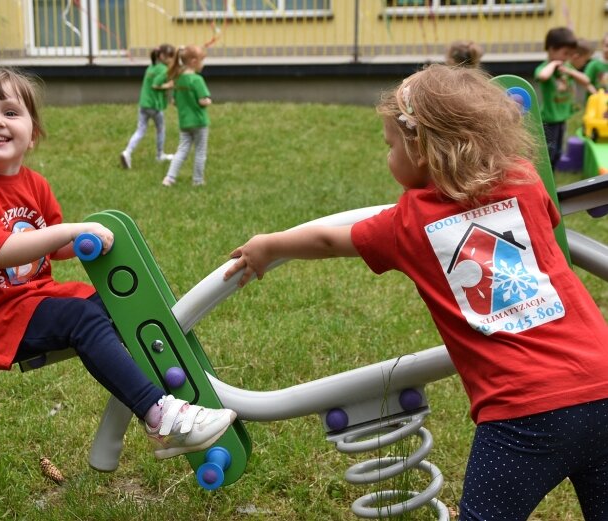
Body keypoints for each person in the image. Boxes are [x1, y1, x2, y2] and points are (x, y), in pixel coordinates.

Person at [224, 65, 608, 519]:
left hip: (521, 414)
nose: (386, 157)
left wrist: (270, 246)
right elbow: (550, 224)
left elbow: (331, 239)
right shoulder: (525, 179)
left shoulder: (408, 222)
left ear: (420, 148)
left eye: (389, 145)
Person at [0, 64, 235, 460]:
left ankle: (179, 393)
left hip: (32, 300)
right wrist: (71, 232)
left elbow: (56, 247)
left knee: (120, 307)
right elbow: (1, 250)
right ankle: (160, 416)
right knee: (82, 318)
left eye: (10, 112)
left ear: (32, 134)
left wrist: (86, 240)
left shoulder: (34, 183)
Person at [534, 27, 594, 168]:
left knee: (558, 152)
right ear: (551, 49)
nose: (567, 58)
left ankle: (552, 174)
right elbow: (543, 76)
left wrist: (569, 71)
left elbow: (585, 80)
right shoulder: (545, 68)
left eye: (570, 54)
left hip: (562, 118)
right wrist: (553, 63)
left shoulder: (566, 67)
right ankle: (546, 176)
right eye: (565, 53)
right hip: (549, 120)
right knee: (549, 152)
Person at [161, 45, 212, 187]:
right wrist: (208, 101)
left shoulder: (178, 79)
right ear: (194, 61)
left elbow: (174, 102)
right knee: (200, 152)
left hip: (184, 122)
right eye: (202, 60)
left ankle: (169, 178)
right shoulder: (197, 80)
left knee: (182, 150)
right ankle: (198, 180)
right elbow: (202, 101)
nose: (203, 64)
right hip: (199, 122)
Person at [120, 44, 177, 169]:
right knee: (161, 129)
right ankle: (159, 155)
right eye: (170, 57)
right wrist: (168, 86)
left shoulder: (152, 67)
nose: (172, 60)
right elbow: (156, 85)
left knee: (140, 130)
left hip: (144, 104)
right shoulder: (162, 69)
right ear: (162, 56)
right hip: (154, 106)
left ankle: (127, 152)